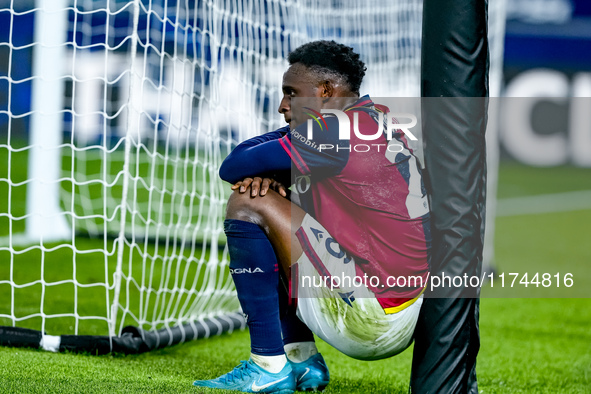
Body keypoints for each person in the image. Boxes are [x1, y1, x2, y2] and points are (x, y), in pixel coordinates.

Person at [193, 40, 431, 393]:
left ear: (324, 90)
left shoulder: (332, 133)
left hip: (371, 318)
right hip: (410, 311)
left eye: (292, 94)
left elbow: (234, 165)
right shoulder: (378, 118)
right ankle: (302, 362)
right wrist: (278, 170)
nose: (282, 106)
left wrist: (274, 166)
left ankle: (268, 366)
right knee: (281, 199)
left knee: (248, 201)